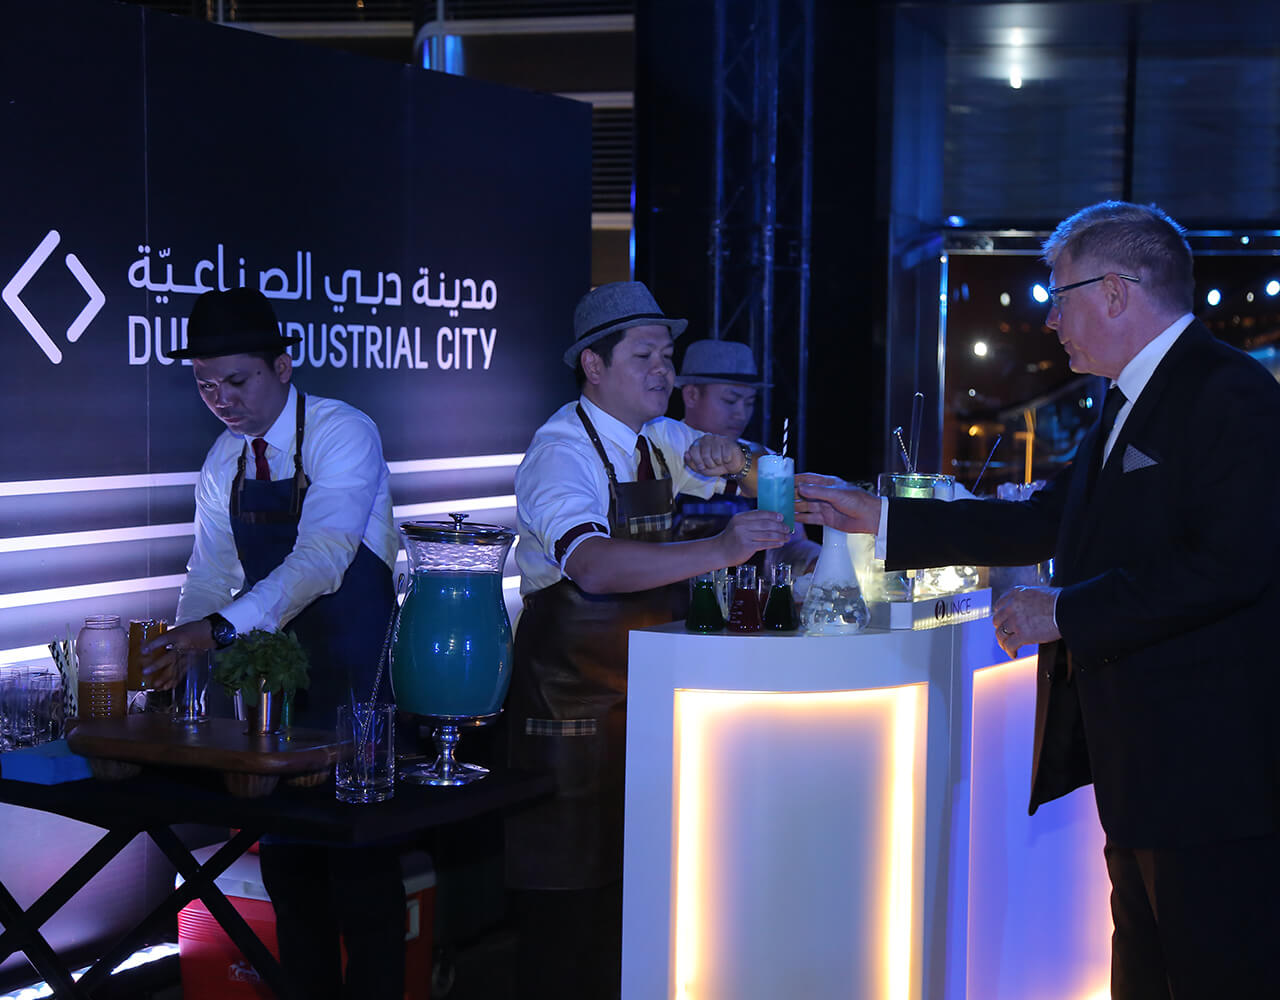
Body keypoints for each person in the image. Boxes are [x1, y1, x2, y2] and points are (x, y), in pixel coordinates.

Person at [794, 201, 1280, 999]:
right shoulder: (1129, 398)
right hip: (1147, 768)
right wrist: (882, 517)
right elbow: (1045, 520)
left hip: (1211, 773)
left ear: (1116, 292)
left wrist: (1064, 611)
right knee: (1148, 972)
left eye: (1060, 295)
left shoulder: (1229, 394)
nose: (1050, 319)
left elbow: (1231, 566)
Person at [507, 281, 790, 998]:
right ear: (593, 365)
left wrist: (745, 463)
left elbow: (759, 468)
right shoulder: (560, 452)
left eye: (667, 355)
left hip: (645, 707)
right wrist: (721, 548)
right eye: (645, 356)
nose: (664, 370)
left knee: (635, 910)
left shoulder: (658, 439)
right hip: (568, 717)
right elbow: (593, 567)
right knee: (566, 921)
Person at [144, 287, 405, 1000]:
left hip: (356, 680)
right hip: (280, 695)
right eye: (206, 387)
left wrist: (219, 629)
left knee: (364, 876)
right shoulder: (223, 462)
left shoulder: (342, 431)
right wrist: (182, 655)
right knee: (291, 876)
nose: (223, 401)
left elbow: (323, 557)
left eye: (237, 381)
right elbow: (211, 574)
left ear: (283, 366)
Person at [674, 339, 819, 584]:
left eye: (749, 402)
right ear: (691, 395)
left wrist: (816, 560)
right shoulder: (657, 450)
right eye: (730, 401)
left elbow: (789, 545)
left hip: (745, 599)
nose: (741, 413)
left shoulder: (767, 462)